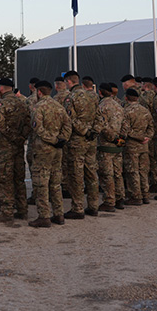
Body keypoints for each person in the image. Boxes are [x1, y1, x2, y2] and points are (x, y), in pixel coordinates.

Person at [28, 80, 71, 228]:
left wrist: (51, 140)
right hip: (57, 150)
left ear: (39, 92)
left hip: (43, 149)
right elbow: (68, 125)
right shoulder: (59, 107)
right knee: (55, 182)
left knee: (41, 183)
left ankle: (44, 216)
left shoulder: (38, 107)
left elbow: (37, 129)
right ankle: (59, 214)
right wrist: (61, 139)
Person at [0, 78, 31, 224]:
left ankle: (7, 212)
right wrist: (21, 138)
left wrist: (13, 137)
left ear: (1, 89)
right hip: (19, 146)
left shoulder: (1, 105)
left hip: (5, 147)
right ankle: (22, 210)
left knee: (5, 179)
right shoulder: (23, 103)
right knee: (19, 179)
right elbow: (28, 123)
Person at [61, 70, 99, 218]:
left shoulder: (70, 98)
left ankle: (78, 208)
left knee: (76, 175)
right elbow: (99, 116)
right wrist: (94, 131)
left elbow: (70, 119)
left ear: (68, 82)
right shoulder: (93, 96)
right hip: (91, 141)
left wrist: (84, 131)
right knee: (91, 173)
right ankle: (93, 206)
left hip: (78, 141)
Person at [96, 83, 125, 211]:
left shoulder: (101, 107)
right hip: (118, 145)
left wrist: (112, 138)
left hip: (106, 146)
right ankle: (120, 198)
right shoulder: (119, 106)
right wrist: (120, 140)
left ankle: (109, 201)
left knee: (107, 174)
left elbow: (102, 126)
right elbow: (125, 125)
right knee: (118, 173)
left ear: (100, 92)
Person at [121, 88, 153, 205]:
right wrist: (147, 137)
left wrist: (138, 137)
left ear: (126, 98)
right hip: (144, 146)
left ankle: (136, 195)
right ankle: (145, 195)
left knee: (132, 171)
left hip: (132, 146)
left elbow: (125, 131)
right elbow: (151, 127)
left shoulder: (126, 111)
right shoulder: (145, 111)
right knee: (143, 171)